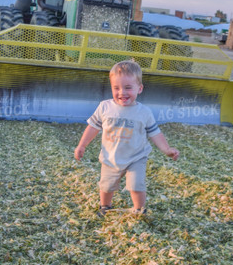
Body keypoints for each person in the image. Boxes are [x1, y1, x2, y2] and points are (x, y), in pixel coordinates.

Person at [74, 60, 179, 216]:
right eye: (116, 88)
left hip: (136, 158)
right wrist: (82, 145)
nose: (122, 92)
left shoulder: (144, 112)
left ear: (140, 88)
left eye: (128, 88)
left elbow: (155, 133)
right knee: (106, 186)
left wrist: (166, 149)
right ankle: (105, 206)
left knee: (136, 185)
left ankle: (139, 209)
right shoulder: (105, 107)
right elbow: (93, 127)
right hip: (110, 157)